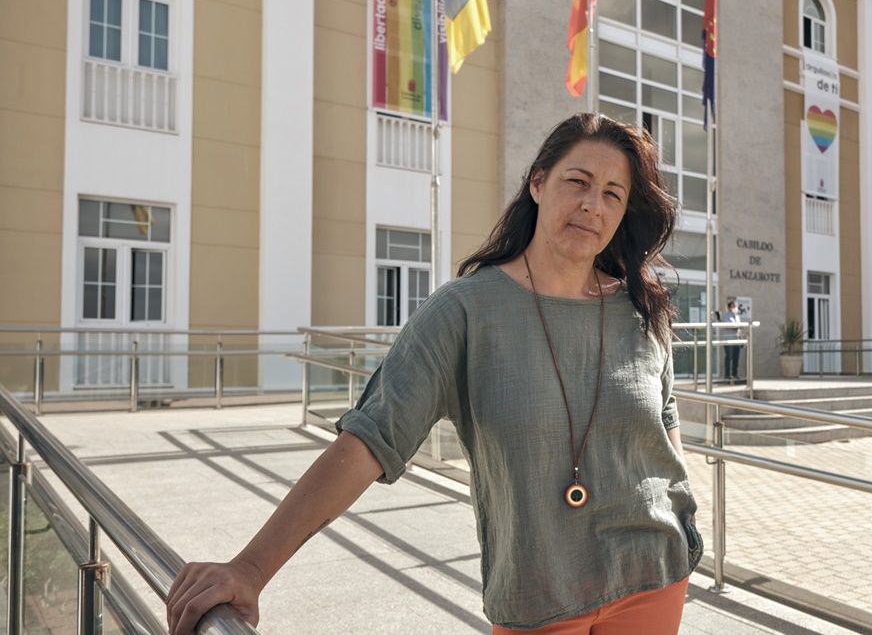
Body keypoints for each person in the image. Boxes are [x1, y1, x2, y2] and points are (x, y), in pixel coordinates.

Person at [166, 113, 702, 635]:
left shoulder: (641, 309)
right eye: (578, 181)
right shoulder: (464, 311)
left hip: (652, 575)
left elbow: (663, 418)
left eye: (613, 193)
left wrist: (684, 515)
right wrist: (251, 570)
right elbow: (367, 443)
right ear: (538, 183)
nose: (593, 205)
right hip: (541, 594)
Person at [720, 298, 742, 381]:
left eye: (735, 306)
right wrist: (735, 326)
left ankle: (735, 374)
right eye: (733, 306)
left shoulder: (737, 316)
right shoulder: (726, 316)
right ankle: (727, 374)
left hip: (737, 340)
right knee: (729, 357)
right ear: (729, 307)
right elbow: (727, 325)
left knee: (736, 358)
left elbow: (739, 327)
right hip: (728, 340)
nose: (735, 308)